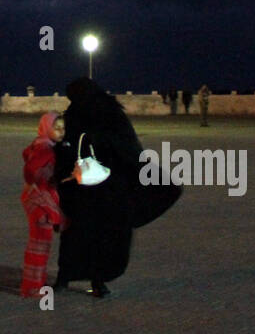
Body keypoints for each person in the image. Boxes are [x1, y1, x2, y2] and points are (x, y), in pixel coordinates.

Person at [54, 77, 181, 298]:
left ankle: (95, 280)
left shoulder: (108, 113)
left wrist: (99, 143)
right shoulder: (76, 113)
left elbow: (126, 147)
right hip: (85, 187)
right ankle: (68, 277)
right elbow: (68, 145)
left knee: (100, 234)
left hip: (107, 189)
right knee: (81, 233)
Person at [21, 112, 66, 297]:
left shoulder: (39, 143)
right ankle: (33, 287)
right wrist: (48, 178)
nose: (61, 132)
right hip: (41, 203)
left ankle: (34, 282)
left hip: (36, 200)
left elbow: (25, 155)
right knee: (39, 247)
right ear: (47, 128)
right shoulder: (46, 148)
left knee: (38, 245)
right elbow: (30, 170)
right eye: (57, 128)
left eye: (63, 128)